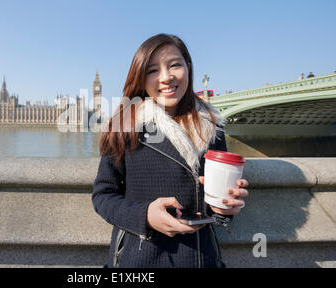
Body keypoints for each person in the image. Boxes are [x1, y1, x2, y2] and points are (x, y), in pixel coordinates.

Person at [92, 34, 249, 268]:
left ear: (188, 67)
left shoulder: (211, 127)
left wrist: (224, 207)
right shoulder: (125, 126)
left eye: (175, 64)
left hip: (201, 259)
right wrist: (144, 216)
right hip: (140, 260)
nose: (165, 77)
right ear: (141, 78)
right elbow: (103, 196)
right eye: (152, 70)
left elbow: (214, 211)